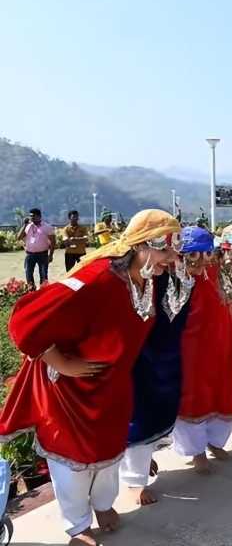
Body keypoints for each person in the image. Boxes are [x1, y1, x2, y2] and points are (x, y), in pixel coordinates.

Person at [0, 210, 180, 546]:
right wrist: (61, 362)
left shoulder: (147, 277)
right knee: (74, 462)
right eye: (166, 250)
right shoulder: (96, 279)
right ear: (142, 245)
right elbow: (25, 320)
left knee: (110, 450)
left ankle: (103, 505)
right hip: (73, 392)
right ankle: (77, 525)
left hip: (112, 386)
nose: (172, 259)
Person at [120, 226, 209, 506]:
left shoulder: (182, 276)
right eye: (166, 248)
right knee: (140, 416)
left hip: (169, 356)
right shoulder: (142, 275)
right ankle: (134, 481)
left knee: (162, 411)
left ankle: (146, 459)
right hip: (142, 357)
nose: (173, 255)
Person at [172, 224, 232, 473]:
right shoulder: (176, 278)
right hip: (192, 349)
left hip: (223, 342)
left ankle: (215, 441)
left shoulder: (221, 273)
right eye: (195, 254)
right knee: (196, 396)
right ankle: (197, 451)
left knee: (222, 390)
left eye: (207, 253)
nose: (202, 260)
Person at [17, 207, 56, 288]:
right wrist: (24, 225)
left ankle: (43, 291)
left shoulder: (47, 227)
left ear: (39, 216)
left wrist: (51, 255)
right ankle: (31, 290)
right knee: (28, 273)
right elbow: (19, 237)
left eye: (33, 216)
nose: (31, 218)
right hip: (30, 254)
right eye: (30, 216)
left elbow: (53, 242)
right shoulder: (28, 226)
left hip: (43, 254)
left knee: (43, 274)